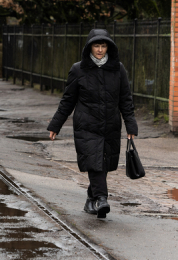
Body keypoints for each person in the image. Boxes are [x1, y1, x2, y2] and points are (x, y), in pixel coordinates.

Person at [47, 29, 138, 219]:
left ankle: (91, 198)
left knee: (102, 162)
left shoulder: (118, 69)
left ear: (108, 47)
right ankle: (101, 198)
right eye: (96, 45)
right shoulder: (78, 69)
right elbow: (68, 100)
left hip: (110, 125)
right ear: (89, 47)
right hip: (86, 125)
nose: (100, 49)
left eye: (103, 46)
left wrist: (131, 126)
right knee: (94, 161)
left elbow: (125, 100)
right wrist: (56, 125)